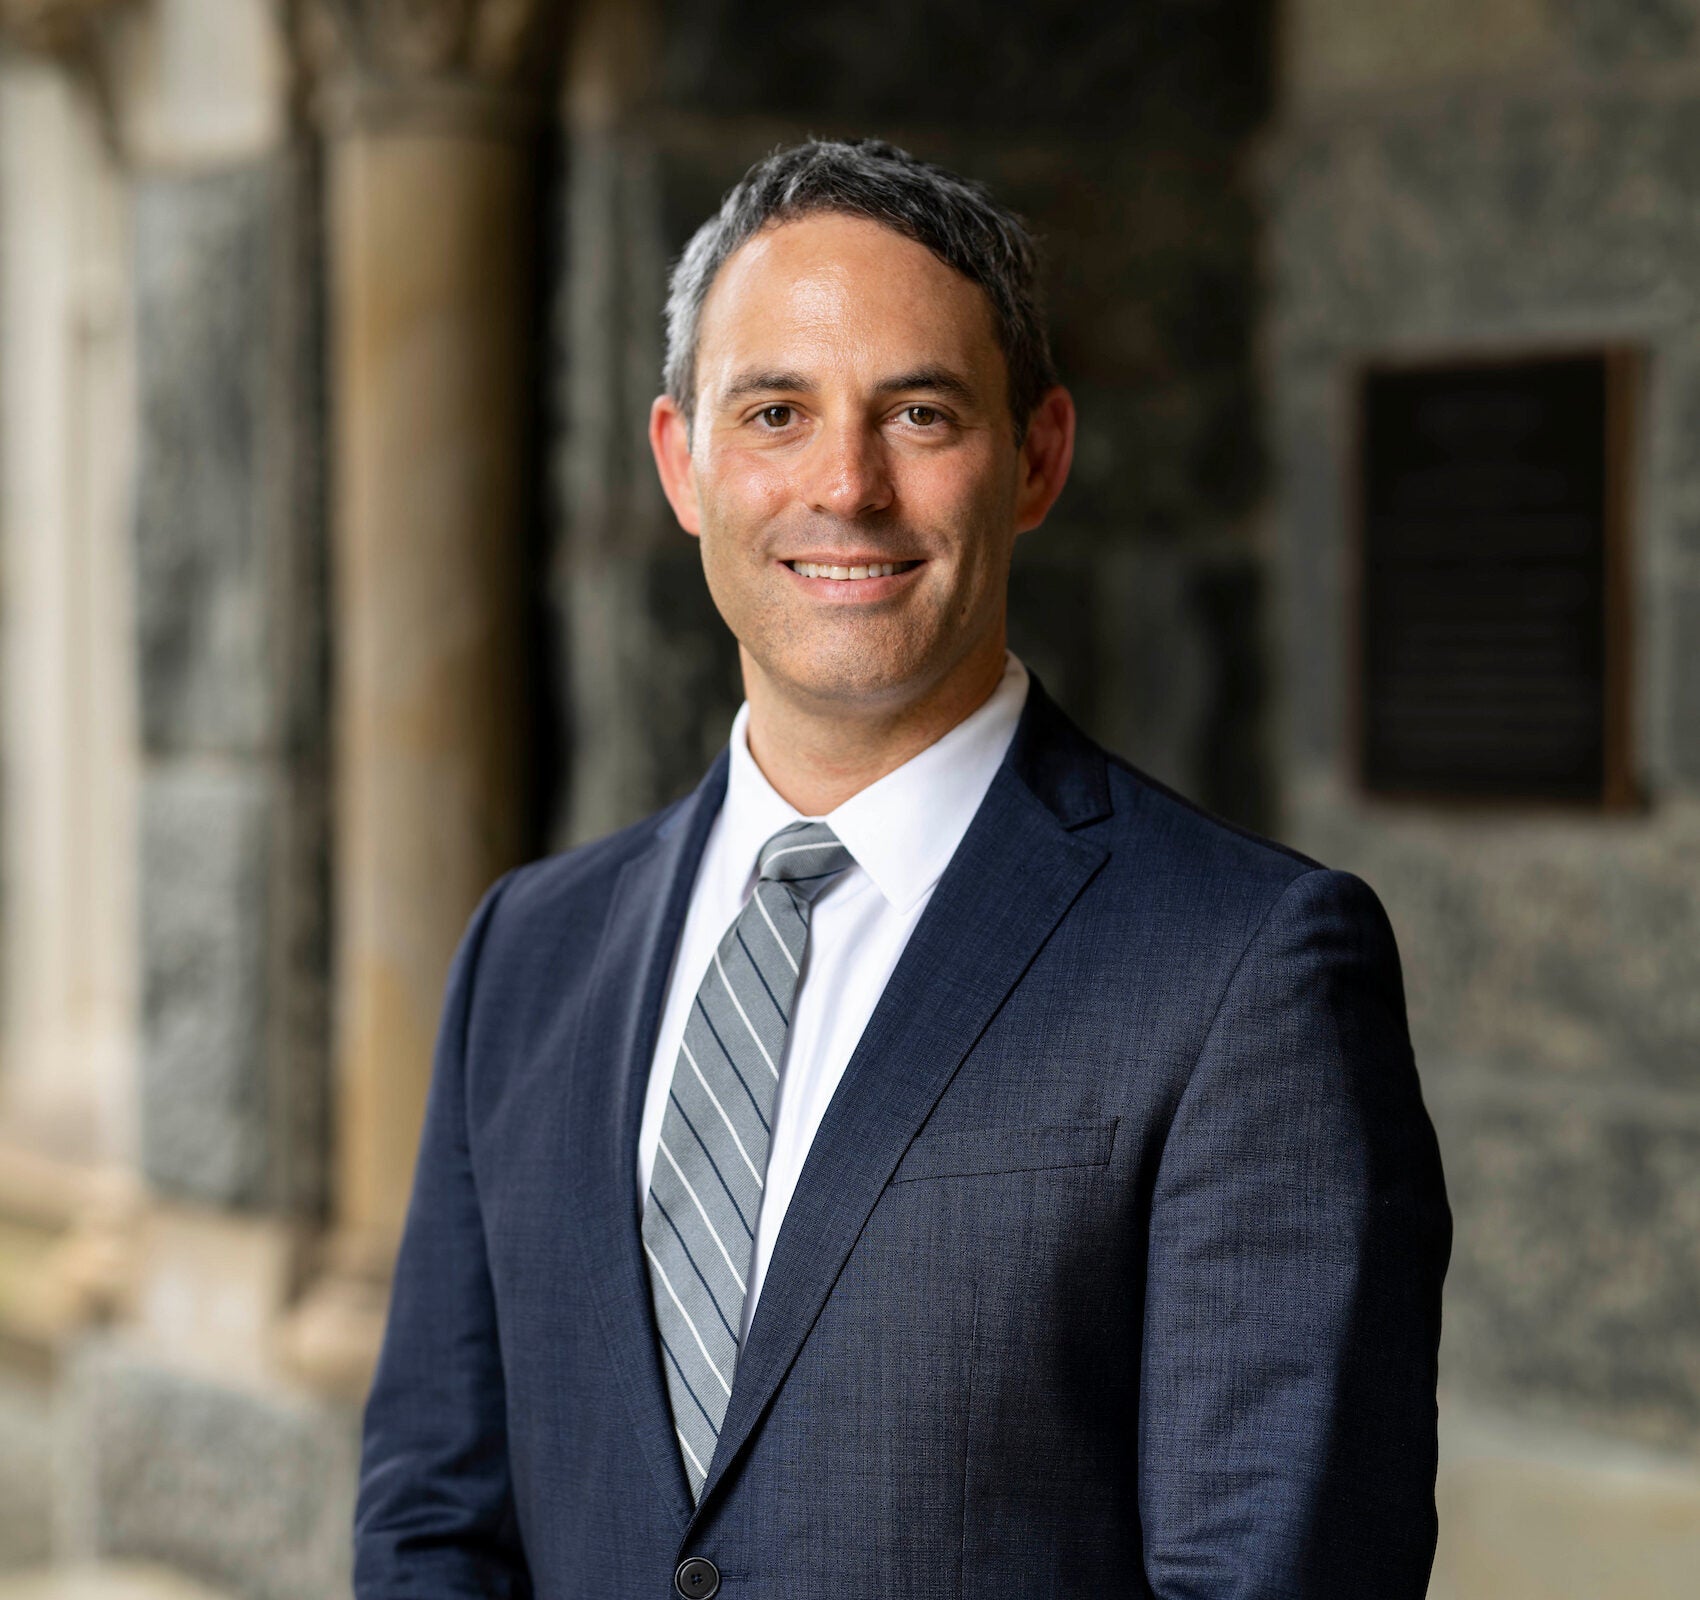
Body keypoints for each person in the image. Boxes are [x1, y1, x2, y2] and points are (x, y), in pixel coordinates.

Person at [353, 138, 1451, 1600]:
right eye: (776, 412)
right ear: (683, 464)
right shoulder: (531, 950)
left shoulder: (1246, 969)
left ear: (1038, 457)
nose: (846, 486)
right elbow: (434, 1520)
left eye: (920, 414)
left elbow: (1271, 1575)